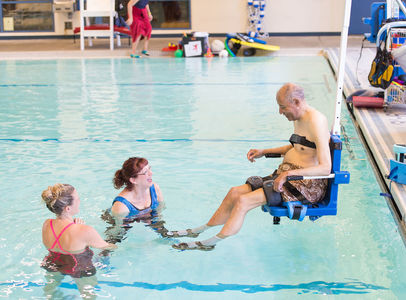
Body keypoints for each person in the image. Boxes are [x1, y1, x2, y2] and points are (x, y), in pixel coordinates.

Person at [168, 83, 332, 251]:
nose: (280, 112)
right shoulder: (299, 117)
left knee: (244, 201)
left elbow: (326, 168)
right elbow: (299, 147)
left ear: (296, 101)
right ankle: (200, 230)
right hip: (287, 178)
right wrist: (264, 152)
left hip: (306, 186)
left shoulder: (316, 121)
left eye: (283, 107)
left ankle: (208, 244)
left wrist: (288, 174)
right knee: (235, 192)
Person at [41, 184, 117, 298]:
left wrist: (76, 228)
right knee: (88, 296)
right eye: (77, 199)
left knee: (50, 292)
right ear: (68, 208)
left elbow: (65, 236)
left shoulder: (47, 224)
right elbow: (108, 247)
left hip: (52, 263)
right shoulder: (84, 231)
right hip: (80, 267)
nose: (80, 200)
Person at [104, 157, 166, 242]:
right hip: (123, 217)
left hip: (145, 214)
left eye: (149, 169)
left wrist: (155, 223)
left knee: (165, 234)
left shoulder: (155, 189)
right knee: (116, 239)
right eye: (145, 172)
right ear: (133, 180)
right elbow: (118, 229)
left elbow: (159, 210)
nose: (151, 173)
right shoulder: (121, 207)